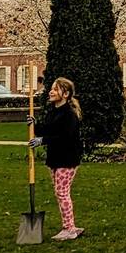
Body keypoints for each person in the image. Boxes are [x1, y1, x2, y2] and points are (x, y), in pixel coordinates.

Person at [28, 77, 83, 240]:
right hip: (55, 159)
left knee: (62, 192)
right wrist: (34, 125)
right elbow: (47, 130)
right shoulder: (54, 111)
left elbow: (64, 137)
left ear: (65, 94)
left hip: (67, 159)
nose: (51, 91)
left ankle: (69, 229)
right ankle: (70, 225)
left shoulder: (69, 115)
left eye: (55, 89)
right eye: (51, 88)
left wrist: (42, 141)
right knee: (60, 192)